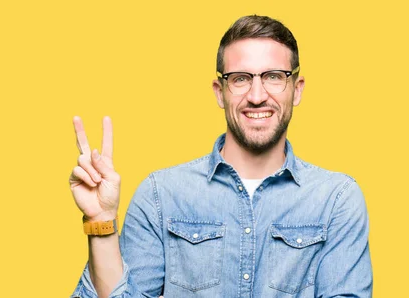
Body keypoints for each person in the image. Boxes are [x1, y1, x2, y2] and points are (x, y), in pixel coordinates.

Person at [68, 15, 372, 298]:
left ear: (297, 89)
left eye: (274, 77)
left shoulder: (337, 200)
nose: (256, 95)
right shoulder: (161, 195)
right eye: (240, 78)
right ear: (219, 91)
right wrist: (101, 223)